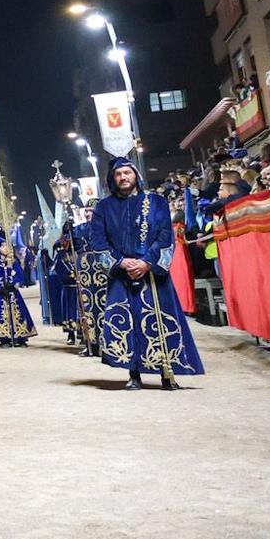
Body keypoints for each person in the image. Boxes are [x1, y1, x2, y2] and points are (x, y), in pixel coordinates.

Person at [90, 156, 204, 390]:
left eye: (127, 173)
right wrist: (122, 263)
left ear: (135, 175)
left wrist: (147, 263)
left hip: (152, 273)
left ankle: (166, 371)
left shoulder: (157, 202)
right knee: (128, 322)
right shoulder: (103, 207)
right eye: (118, 174)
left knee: (159, 321)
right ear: (113, 178)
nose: (123, 177)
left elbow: (164, 235)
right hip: (122, 274)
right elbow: (98, 241)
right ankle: (134, 374)